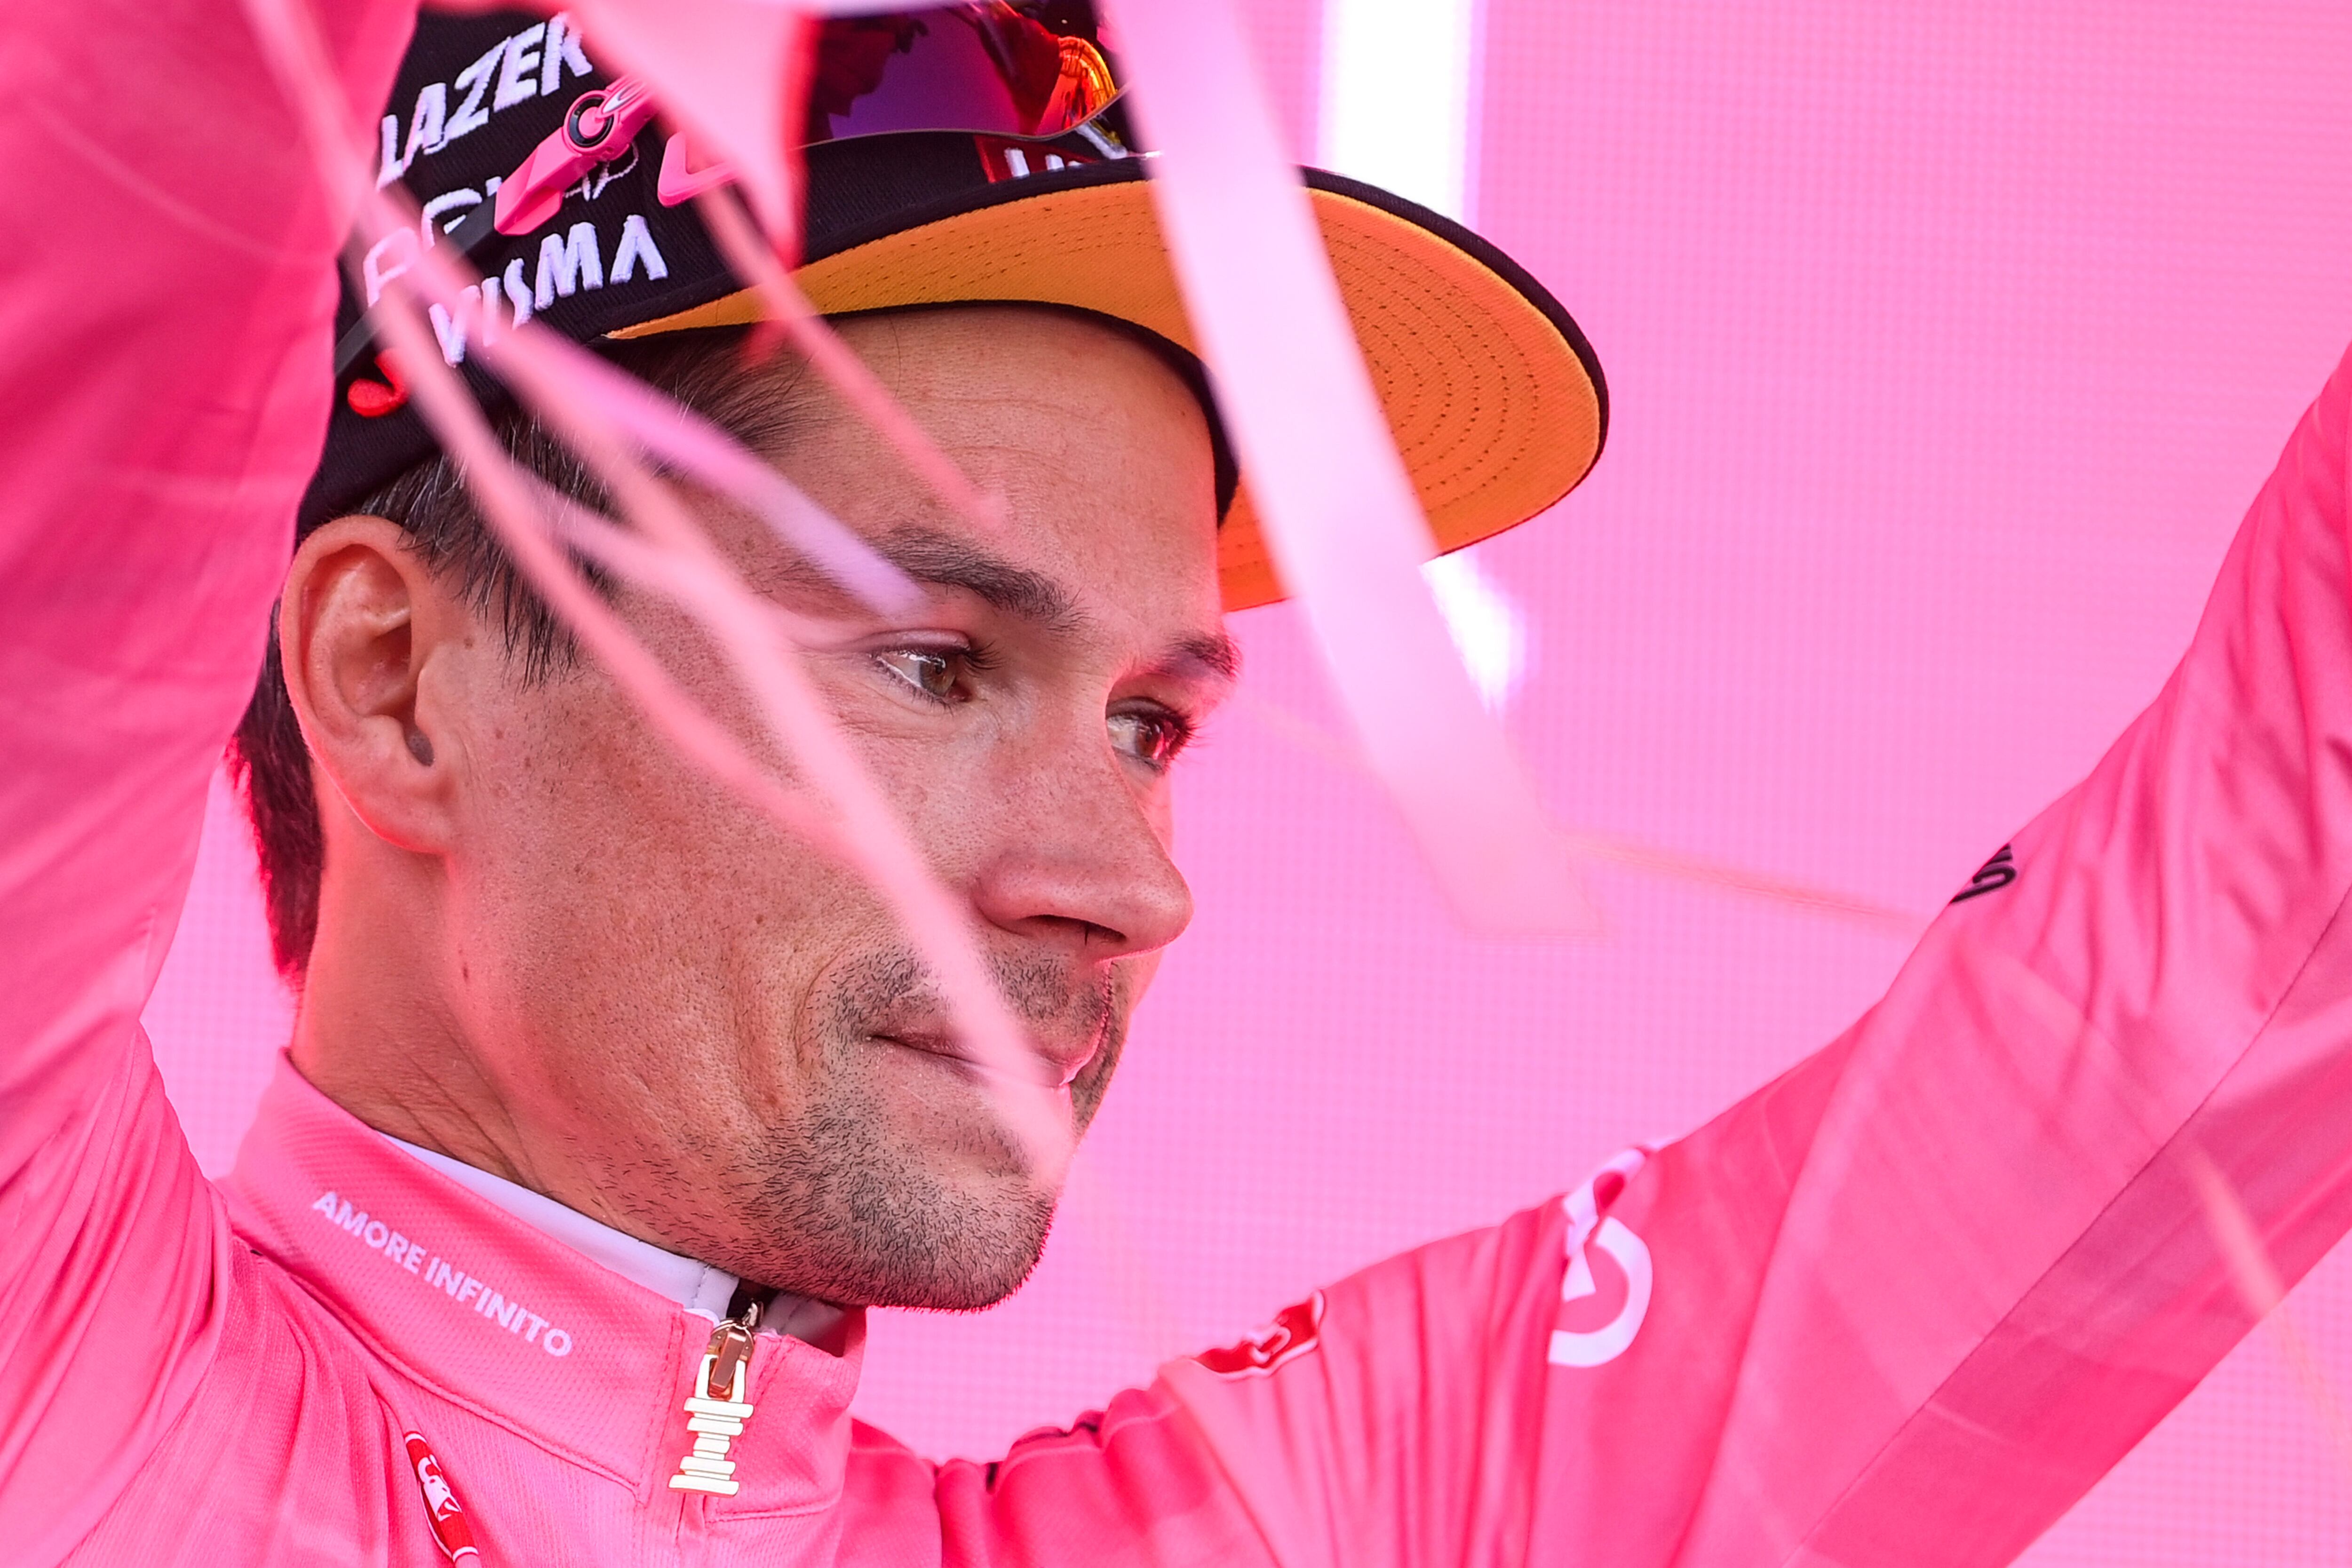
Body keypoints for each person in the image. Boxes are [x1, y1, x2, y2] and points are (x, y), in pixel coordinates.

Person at [8, 2, 2352, 1564]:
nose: (1126, 885)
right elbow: (107, 289)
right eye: (931, 661)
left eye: (1150, 723)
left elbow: (2219, 955)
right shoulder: (58, 1372)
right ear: (396, 677)